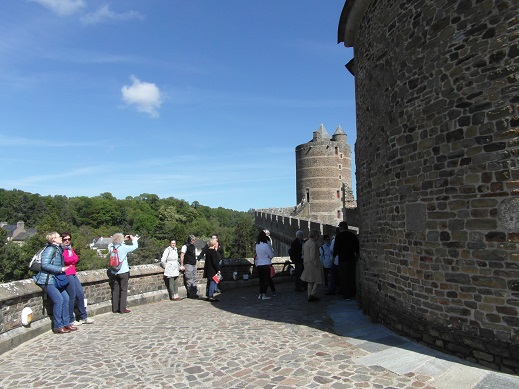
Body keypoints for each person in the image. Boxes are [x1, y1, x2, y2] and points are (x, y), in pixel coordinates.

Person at [33, 232, 77, 334]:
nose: (61, 238)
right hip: (47, 280)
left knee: (66, 298)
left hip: (55, 279)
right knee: (59, 300)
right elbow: (44, 265)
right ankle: (58, 326)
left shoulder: (58, 248)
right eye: (58, 237)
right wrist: (61, 269)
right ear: (53, 239)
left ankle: (66, 323)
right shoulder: (50, 249)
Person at [61, 232, 94, 326]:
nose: (67, 241)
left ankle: (83, 316)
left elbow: (76, 258)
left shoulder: (70, 248)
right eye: (65, 239)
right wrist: (72, 260)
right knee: (72, 295)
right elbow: (66, 260)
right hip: (67, 273)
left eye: (68, 239)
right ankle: (71, 319)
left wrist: (72, 259)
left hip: (73, 272)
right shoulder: (62, 249)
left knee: (80, 294)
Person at [109, 233, 139, 313]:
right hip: (123, 271)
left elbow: (111, 244)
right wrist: (134, 239)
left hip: (114, 271)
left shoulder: (111, 248)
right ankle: (122, 308)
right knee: (123, 290)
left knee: (115, 290)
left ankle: (115, 308)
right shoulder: (123, 247)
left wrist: (123, 240)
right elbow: (135, 247)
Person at [333, 221, 360, 300]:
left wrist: (334, 257)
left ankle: (346, 295)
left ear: (341, 228)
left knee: (344, 277)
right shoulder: (352, 235)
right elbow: (357, 247)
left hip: (343, 260)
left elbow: (336, 248)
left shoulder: (339, 236)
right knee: (351, 277)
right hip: (351, 259)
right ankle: (352, 293)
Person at [301, 229, 325, 302]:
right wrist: (316, 264)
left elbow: (303, 253)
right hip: (313, 264)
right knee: (318, 280)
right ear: (315, 236)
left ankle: (310, 296)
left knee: (310, 281)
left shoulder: (306, 243)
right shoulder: (313, 244)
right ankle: (312, 294)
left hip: (307, 264)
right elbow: (313, 256)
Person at [255, 230, 275, 300]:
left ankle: (260, 294)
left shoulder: (257, 245)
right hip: (266, 264)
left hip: (259, 264)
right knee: (265, 280)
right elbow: (271, 254)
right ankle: (263, 294)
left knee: (261, 280)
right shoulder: (266, 245)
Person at [203, 237, 221, 302]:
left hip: (208, 269)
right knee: (212, 283)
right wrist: (218, 269)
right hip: (213, 270)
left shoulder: (207, 251)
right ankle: (211, 296)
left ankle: (208, 295)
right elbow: (215, 262)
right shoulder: (213, 252)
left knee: (208, 282)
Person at [326, 228, 341, 295]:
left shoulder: (334, 240)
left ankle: (333, 289)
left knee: (333, 276)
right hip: (343, 260)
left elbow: (331, 250)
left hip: (335, 260)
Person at [264, 229, 276, 296]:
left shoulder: (267, 241)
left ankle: (264, 291)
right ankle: (271, 289)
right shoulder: (268, 240)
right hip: (266, 261)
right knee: (267, 278)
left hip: (263, 262)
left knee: (266, 278)